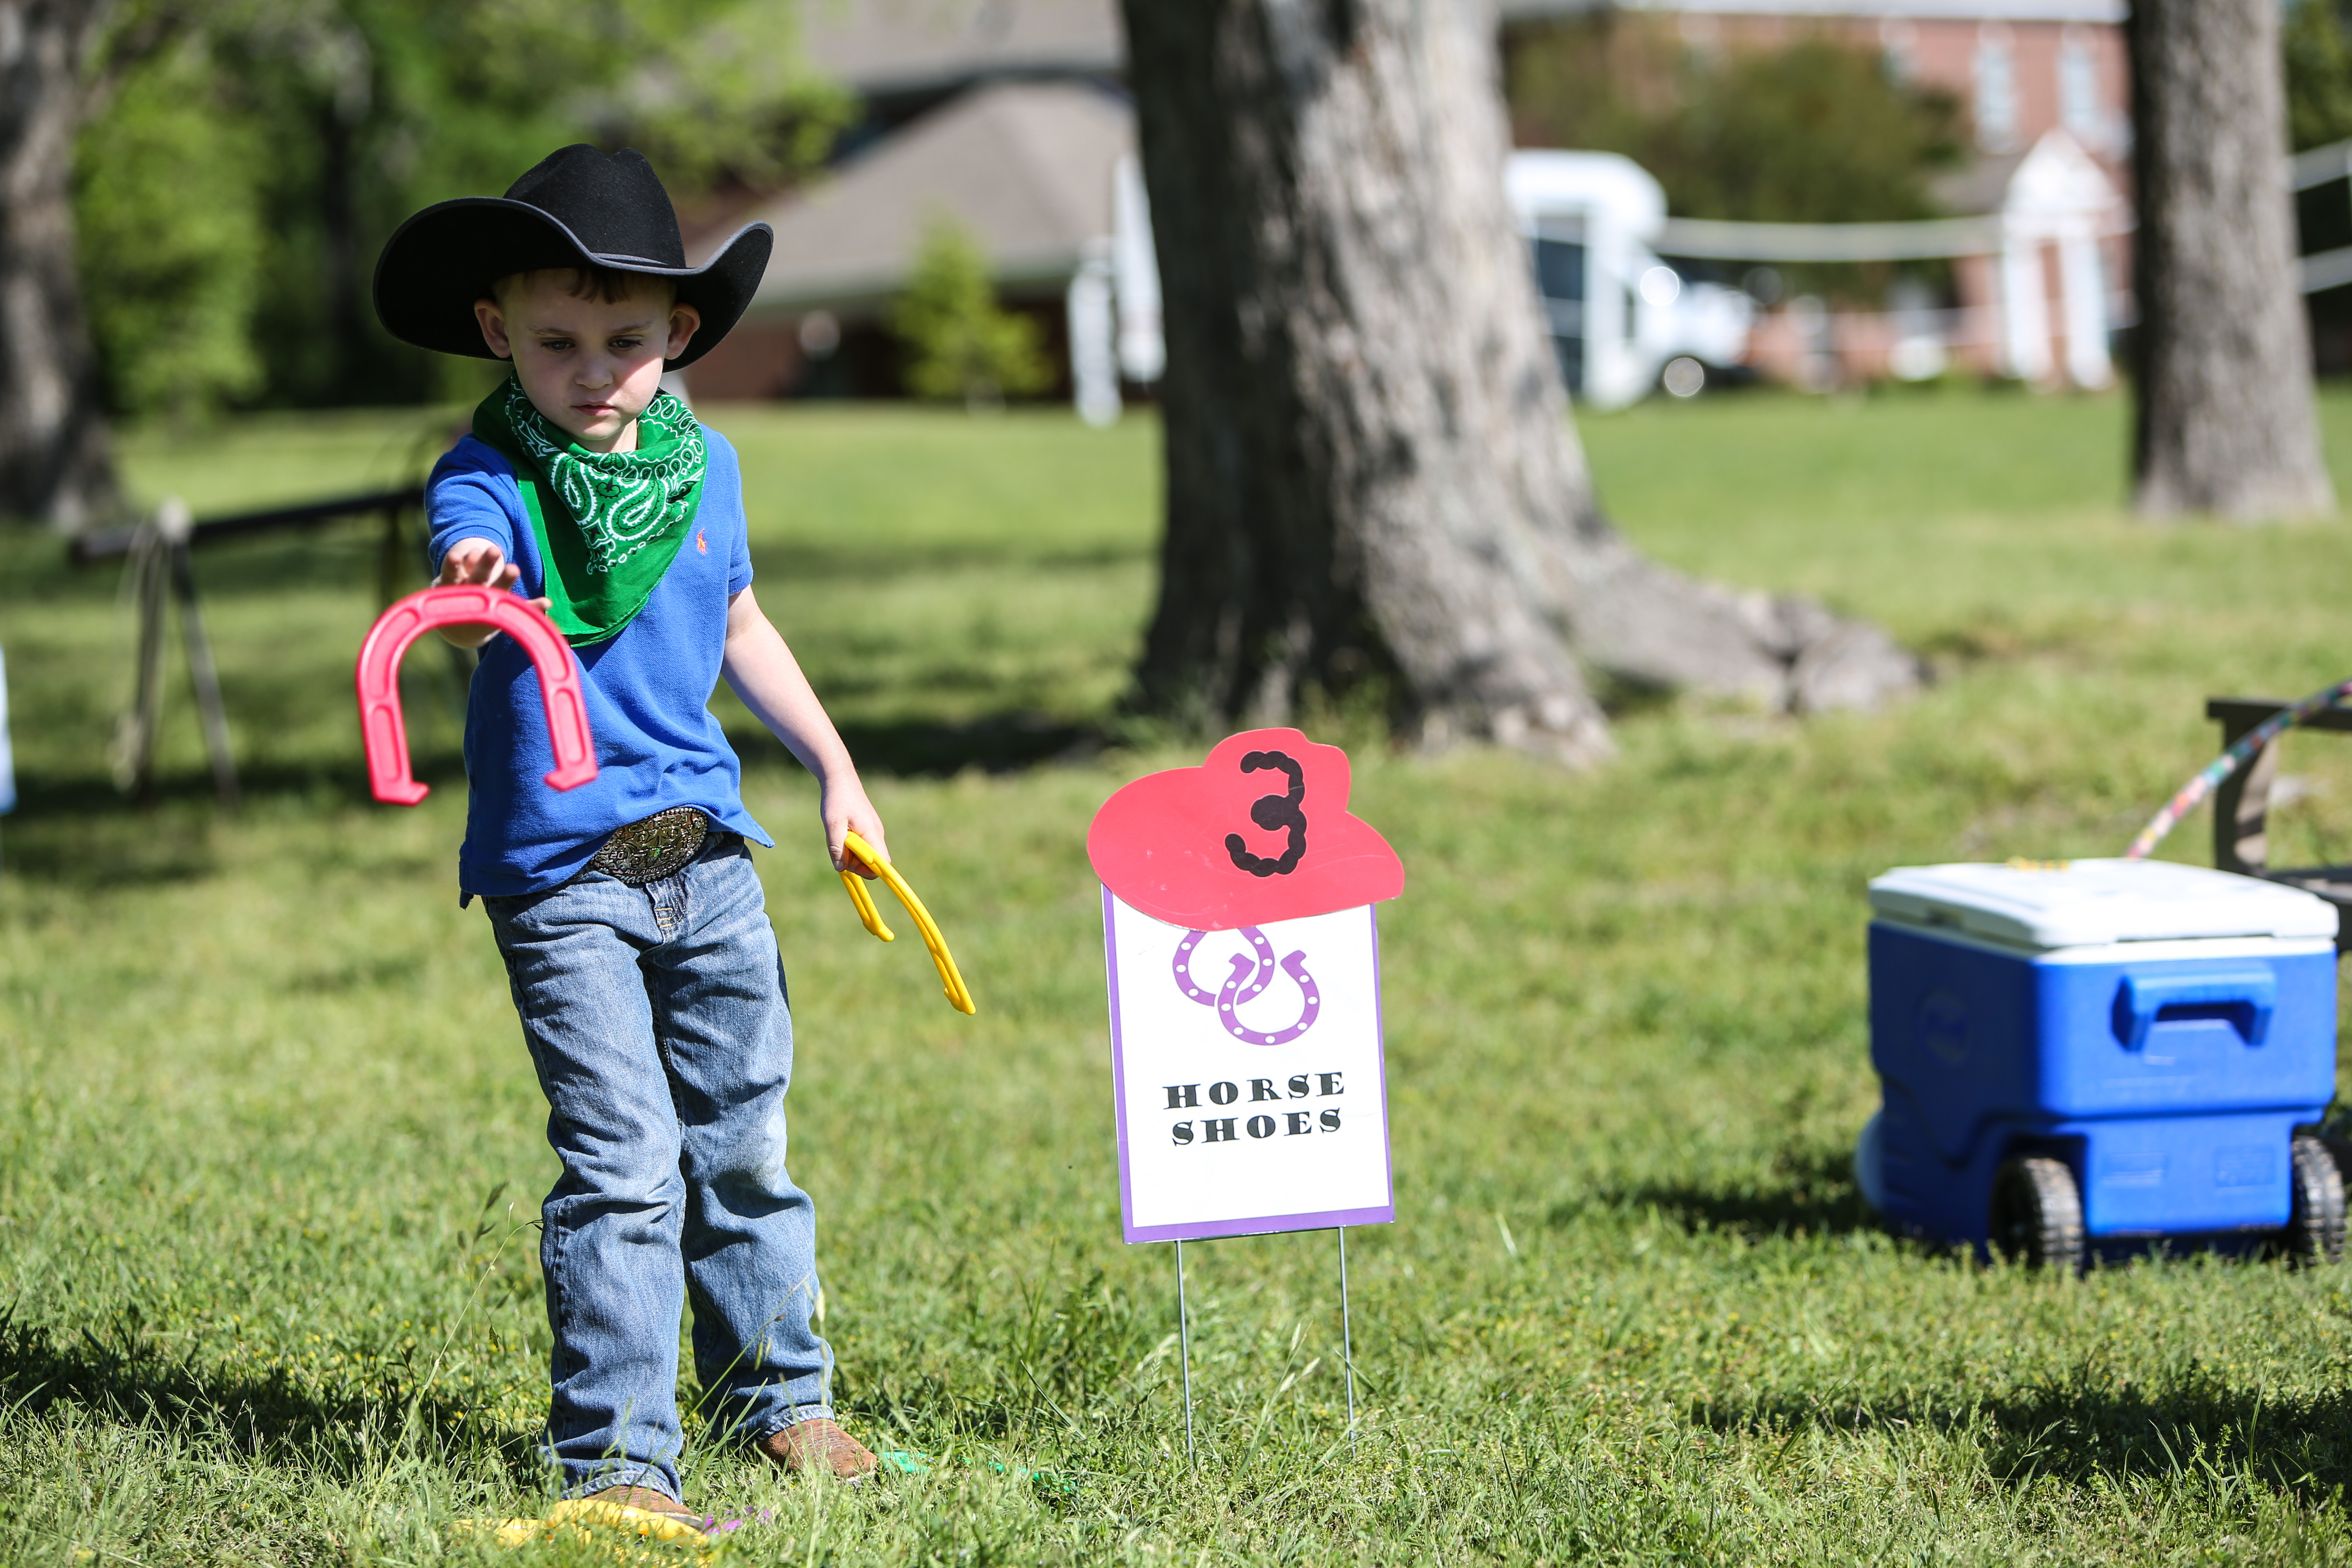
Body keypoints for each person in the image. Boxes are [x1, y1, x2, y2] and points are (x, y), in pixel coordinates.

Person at [373, 145, 883, 1525]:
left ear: (682, 336)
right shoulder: (495, 473)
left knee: (742, 1143)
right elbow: (465, 520)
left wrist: (835, 771)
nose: (593, 371)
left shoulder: (705, 467)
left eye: (626, 341)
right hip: (568, 878)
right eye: (555, 342)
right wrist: (472, 567)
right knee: (623, 1164)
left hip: (706, 856)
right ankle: (619, 1460)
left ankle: (781, 1399)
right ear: (497, 333)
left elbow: (741, 624)